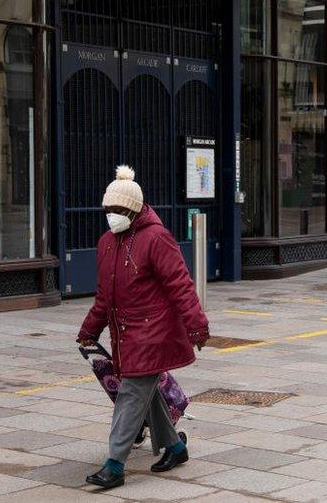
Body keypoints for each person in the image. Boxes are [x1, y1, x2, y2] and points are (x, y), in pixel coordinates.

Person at [77, 165, 209, 489]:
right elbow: (104, 296)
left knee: (131, 395)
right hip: (125, 333)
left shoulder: (156, 238)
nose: (112, 215)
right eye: (108, 209)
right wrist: (89, 331)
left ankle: (114, 464)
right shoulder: (107, 242)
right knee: (147, 395)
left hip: (154, 333)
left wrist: (197, 327)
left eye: (118, 210)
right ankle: (175, 447)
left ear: (134, 210)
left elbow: (180, 284)